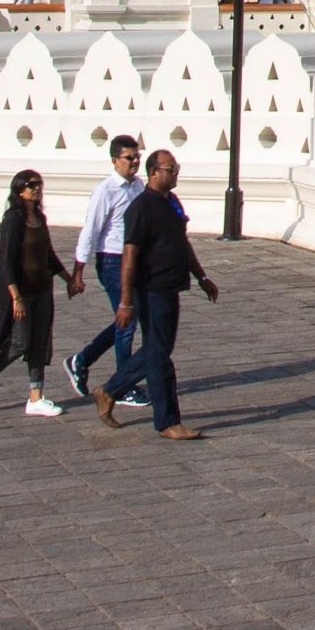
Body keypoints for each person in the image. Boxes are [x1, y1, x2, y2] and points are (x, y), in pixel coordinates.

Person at [91, 149, 217, 440]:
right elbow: (129, 257)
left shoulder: (171, 202)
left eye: (176, 168)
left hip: (171, 286)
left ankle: (109, 391)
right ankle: (167, 422)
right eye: (171, 169)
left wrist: (202, 276)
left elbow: (182, 243)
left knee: (158, 350)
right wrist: (125, 301)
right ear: (154, 172)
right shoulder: (141, 208)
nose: (175, 174)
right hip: (150, 290)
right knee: (159, 356)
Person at [0, 169, 74, 417]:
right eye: (31, 184)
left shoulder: (39, 217)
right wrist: (15, 296)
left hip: (42, 289)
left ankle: (36, 397)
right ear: (19, 190)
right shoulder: (13, 220)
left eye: (39, 184)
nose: (36, 188)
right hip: (20, 292)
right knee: (20, 342)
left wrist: (68, 279)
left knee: (40, 342)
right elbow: (7, 261)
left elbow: (48, 254)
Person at [63, 133, 149, 406]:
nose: (134, 162)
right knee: (127, 323)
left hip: (134, 259)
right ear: (115, 161)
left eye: (137, 157)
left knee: (126, 319)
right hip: (112, 260)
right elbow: (91, 230)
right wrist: (78, 272)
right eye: (129, 158)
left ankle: (82, 360)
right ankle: (122, 386)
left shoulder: (138, 186)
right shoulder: (105, 191)